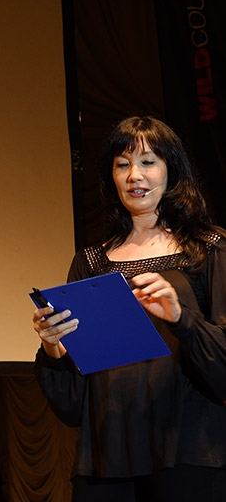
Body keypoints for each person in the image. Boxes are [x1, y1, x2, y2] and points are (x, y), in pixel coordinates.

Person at [32, 116, 226, 501]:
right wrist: (53, 347)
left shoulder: (207, 249)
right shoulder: (91, 262)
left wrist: (181, 317)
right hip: (107, 458)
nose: (134, 175)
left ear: (172, 170)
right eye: (123, 164)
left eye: (148, 162)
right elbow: (73, 404)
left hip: (189, 452)